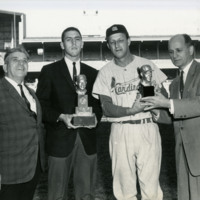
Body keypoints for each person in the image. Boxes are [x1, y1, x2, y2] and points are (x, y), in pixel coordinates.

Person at [92, 24, 167, 200]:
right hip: (120, 130)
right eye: (112, 42)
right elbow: (107, 108)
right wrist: (130, 109)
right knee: (124, 188)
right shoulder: (104, 72)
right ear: (108, 46)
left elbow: (164, 96)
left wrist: (155, 99)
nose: (117, 45)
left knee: (151, 187)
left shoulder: (146, 64)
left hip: (147, 126)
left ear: (129, 41)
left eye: (120, 40)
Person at [36, 27, 102, 200]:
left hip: (86, 140)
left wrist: (95, 118)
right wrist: (60, 116)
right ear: (62, 44)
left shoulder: (93, 73)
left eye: (77, 39)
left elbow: (98, 106)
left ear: (82, 43)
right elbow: (41, 105)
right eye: (69, 39)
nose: (73, 42)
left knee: (86, 195)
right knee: (57, 195)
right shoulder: (49, 71)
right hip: (59, 140)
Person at [141, 34, 200, 200]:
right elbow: (176, 115)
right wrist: (156, 109)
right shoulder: (175, 83)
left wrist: (167, 102)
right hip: (182, 152)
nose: (174, 55)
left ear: (191, 50)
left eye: (179, 50)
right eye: (171, 52)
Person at [0, 46, 46, 200]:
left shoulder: (30, 92)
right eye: (15, 60)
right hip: (8, 172)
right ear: (5, 66)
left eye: (24, 60)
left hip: (32, 167)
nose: (21, 63)